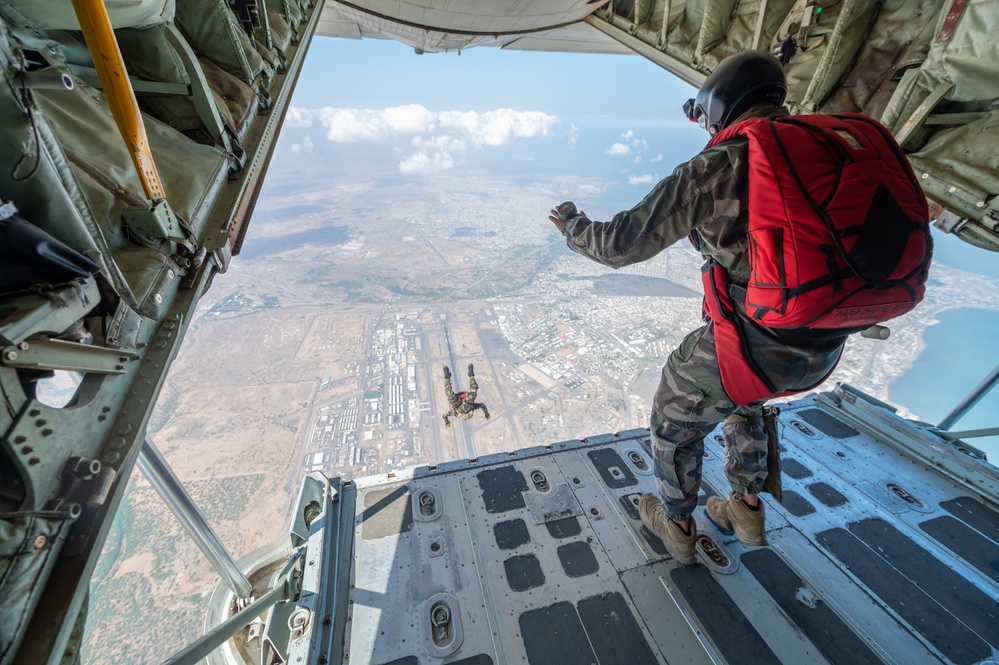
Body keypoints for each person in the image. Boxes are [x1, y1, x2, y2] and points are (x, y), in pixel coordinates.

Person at [548, 51, 930, 565]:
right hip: (821, 346)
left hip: (755, 347)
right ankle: (745, 511)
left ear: (719, 106)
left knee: (673, 418)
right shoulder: (819, 154)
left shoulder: (719, 165)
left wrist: (573, 226)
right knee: (743, 400)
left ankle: (677, 526)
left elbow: (621, 244)